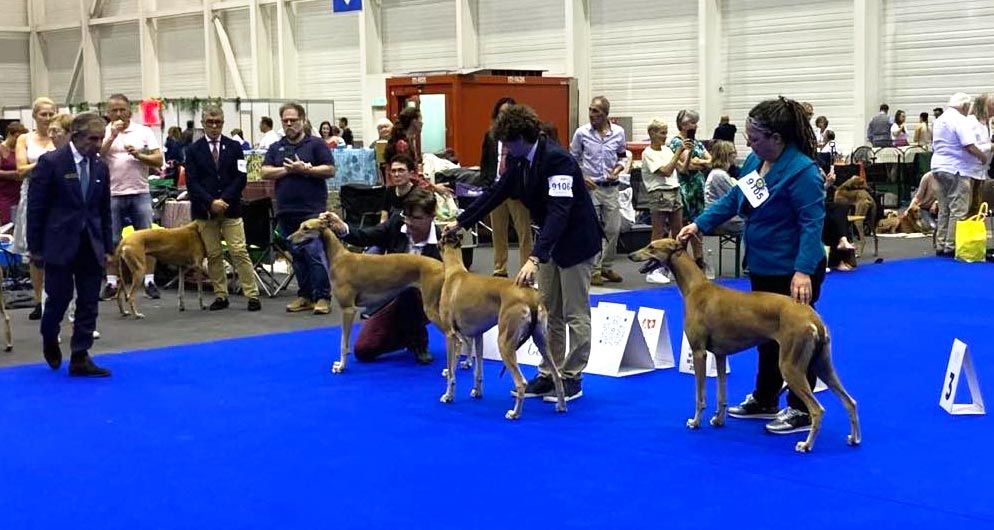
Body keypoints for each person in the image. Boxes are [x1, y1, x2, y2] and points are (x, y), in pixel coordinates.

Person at [678, 96, 826, 434]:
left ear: (777, 138)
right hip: (762, 264)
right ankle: (765, 398)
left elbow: (811, 224)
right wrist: (699, 224)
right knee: (766, 334)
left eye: (755, 137)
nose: (749, 142)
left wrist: (803, 271)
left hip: (794, 271)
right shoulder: (754, 164)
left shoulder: (803, 172)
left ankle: (802, 409)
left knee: (798, 337)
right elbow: (734, 200)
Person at [443, 104, 603, 403]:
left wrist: (534, 257)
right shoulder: (520, 162)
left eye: (507, 143)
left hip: (577, 242)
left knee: (574, 312)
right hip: (551, 244)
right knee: (549, 310)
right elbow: (495, 194)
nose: (504, 149)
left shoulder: (558, 161)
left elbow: (559, 212)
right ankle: (549, 373)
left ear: (521, 139)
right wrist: (460, 221)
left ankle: (572, 377)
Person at [27, 113, 114, 377]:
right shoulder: (51, 163)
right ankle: (49, 334)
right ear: (76, 136)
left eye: (101, 138)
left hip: (91, 243)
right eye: (93, 138)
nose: (98, 144)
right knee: (59, 298)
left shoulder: (100, 167)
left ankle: (80, 356)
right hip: (58, 243)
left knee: (89, 302)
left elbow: (103, 209)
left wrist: (108, 246)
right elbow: (36, 208)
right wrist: (36, 248)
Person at [320, 188, 439, 364]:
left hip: (425, 301)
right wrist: (342, 227)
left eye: (417, 218)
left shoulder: (442, 242)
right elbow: (366, 236)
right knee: (364, 350)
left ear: (432, 216)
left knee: (411, 293)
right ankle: (402, 335)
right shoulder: (396, 224)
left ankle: (419, 343)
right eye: (407, 216)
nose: (410, 222)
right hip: (390, 300)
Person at [260, 102, 336, 314]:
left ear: (303, 120)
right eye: (285, 121)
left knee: (314, 253)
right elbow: (265, 171)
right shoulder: (276, 147)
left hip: (312, 210)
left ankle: (323, 297)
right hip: (286, 211)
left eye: (293, 120)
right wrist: (288, 170)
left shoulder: (316, 144)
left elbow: (330, 169)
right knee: (297, 256)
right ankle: (305, 295)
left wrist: (306, 170)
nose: (289, 124)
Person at [184, 105, 261, 313]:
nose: (215, 126)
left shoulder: (235, 147)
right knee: (214, 254)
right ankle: (221, 294)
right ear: (203, 123)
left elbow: (241, 177)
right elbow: (192, 182)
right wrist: (210, 202)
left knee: (239, 250)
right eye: (210, 122)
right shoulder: (192, 150)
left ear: (223, 123)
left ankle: (252, 294)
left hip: (231, 208)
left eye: (218, 122)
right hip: (204, 211)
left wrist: (224, 199)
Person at [99, 93, 164, 301]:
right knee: (112, 240)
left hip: (140, 192)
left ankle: (149, 280)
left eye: (122, 110)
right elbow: (96, 156)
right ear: (108, 113)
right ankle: (111, 282)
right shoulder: (102, 131)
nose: (119, 114)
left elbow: (158, 159)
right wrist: (111, 137)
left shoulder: (144, 131)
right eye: (114, 111)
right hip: (112, 194)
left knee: (147, 239)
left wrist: (139, 155)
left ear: (130, 110)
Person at [570, 96, 628, 286]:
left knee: (613, 229)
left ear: (606, 114)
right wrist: (582, 178)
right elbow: (572, 160)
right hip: (590, 188)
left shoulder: (618, 133)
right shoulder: (581, 133)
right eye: (590, 110)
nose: (592, 115)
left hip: (611, 188)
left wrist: (617, 170)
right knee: (593, 230)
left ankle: (606, 267)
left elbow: (622, 157)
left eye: (596, 111)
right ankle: (593, 270)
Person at [14, 97, 59, 321]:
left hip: (58, 196)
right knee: (35, 253)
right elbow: (21, 170)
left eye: (51, 114)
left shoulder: (59, 138)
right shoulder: (24, 139)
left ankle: (55, 297)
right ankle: (38, 299)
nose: (48, 118)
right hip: (32, 195)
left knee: (57, 249)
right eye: (44, 114)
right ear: (35, 116)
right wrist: (48, 162)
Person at [481, 97, 533, 278]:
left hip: (517, 192)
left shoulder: (521, 137)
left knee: (524, 232)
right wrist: (487, 184)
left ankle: (526, 269)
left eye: (508, 113)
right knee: (498, 232)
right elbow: (485, 162)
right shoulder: (490, 136)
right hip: (496, 189)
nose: (504, 117)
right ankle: (499, 268)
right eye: (501, 113)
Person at [931, 92, 988, 257]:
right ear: (964, 106)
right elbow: (968, 145)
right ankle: (951, 246)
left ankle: (940, 245)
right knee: (958, 209)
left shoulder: (940, 119)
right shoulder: (960, 120)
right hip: (956, 169)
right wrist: (982, 156)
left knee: (944, 209)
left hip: (937, 167)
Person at [671, 109, 713, 272]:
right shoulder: (676, 142)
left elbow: (710, 160)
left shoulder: (697, 142)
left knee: (698, 223)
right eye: (692, 122)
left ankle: (699, 259)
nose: (695, 125)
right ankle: (680, 260)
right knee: (683, 224)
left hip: (697, 187)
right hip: (684, 187)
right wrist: (696, 162)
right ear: (682, 124)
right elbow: (685, 166)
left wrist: (698, 161)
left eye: (696, 122)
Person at [641, 118, 688, 243]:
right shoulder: (648, 153)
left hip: (675, 190)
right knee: (659, 232)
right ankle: (655, 261)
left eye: (666, 133)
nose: (665, 136)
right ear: (652, 133)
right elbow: (666, 172)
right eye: (662, 133)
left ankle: (677, 260)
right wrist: (678, 152)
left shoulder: (667, 150)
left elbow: (682, 169)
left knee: (678, 231)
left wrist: (689, 152)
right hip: (659, 194)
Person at [703, 140, 744, 235]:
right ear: (726, 155)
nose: (736, 155)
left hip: (720, 216)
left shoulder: (720, 173)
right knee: (754, 223)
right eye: (733, 152)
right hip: (719, 219)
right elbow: (735, 199)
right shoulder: (719, 175)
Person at [966, 93, 993, 215]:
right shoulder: (971, 122)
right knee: (966, 206)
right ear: (983, 106)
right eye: (992, 105)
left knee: (977, 208)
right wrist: (991, 147)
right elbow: (970, 146)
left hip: (982, 172)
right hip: (970, 171)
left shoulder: (987, 123)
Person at [0, 122, 27, 225]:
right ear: (9, 134)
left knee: (20, 224)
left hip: (20, 193)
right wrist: (15, 174)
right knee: (7, 224)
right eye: (16, 137)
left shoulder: (21, 149)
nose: (18, 140)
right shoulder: (1, 149)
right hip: (4, 195)